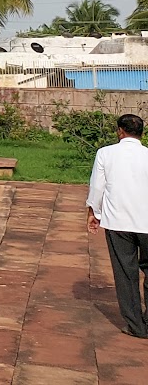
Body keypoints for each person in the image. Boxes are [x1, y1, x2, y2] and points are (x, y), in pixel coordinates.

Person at [87, 113, 148, 339]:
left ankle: (135, 325)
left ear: (120, 131)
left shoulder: (106, 153)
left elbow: (97, 187)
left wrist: (94, 212)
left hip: (119, 222)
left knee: (125, 272)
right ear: (141, 133)